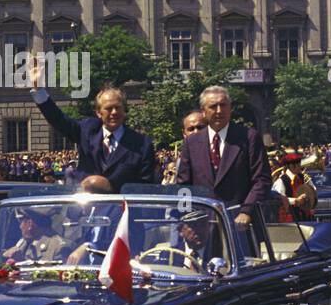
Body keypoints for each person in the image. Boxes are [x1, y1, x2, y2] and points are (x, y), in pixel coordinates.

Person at [29, 65, 156, 192]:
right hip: (84, 206)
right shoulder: (87, 130)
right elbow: (58, 119)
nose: (114, 112)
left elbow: (145, 188)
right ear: (98, 112)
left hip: (121, 208)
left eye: (118, 107)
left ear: (124, 110)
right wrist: (38, 89)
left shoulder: (142, 145)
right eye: (108, 108)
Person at [175, 86, 270, 226]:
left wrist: (246, 211)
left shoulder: (249, 137)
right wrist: (185, 220)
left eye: (223, 105)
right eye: (213, 106)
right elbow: (183, 185)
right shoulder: (191, 142)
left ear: (230, 108)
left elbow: (262, 179)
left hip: (241, 225)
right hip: (203, 225)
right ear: (203, 111)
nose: (219, 111)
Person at [2, 207, 67, 263]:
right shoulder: (25, 242)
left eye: (21, 222)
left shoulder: (59, 247)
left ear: (30, 224)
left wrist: (21, 261)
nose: (20, 227)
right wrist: (4, 255)